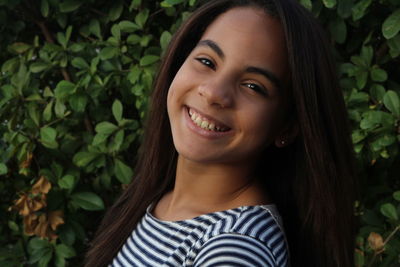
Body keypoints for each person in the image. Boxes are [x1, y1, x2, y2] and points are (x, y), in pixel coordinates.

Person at [85, 0, 356, 266]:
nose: (214, 93)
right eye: (206, 61)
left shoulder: (235, 249)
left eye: (253, 86)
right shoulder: (158, 199)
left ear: (287, 126)